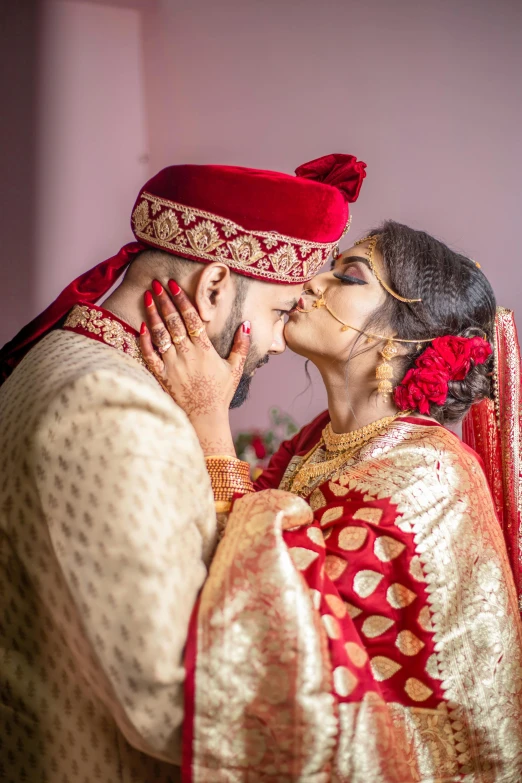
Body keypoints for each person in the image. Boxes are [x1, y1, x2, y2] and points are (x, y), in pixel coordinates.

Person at [0, 154, 367, 782]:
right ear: (215, 287)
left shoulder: (72, 356)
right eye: (280, 313)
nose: (280, 343)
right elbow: (171, 702)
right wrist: (357, 715)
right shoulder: (112, 411)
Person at [141, 220, 522, 781]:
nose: (312, 283)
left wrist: (211, 425)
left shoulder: (430, 471)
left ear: (403, 340)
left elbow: (304, 628)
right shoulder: (316, 444)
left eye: (349, 276)